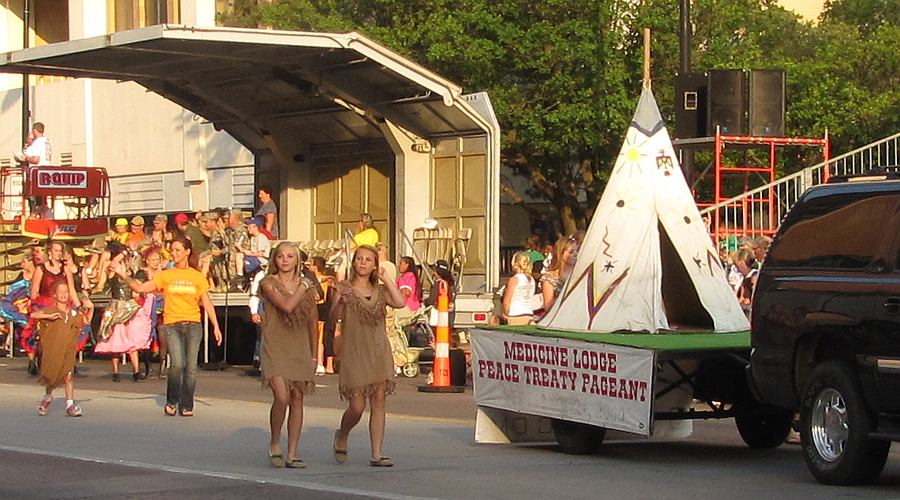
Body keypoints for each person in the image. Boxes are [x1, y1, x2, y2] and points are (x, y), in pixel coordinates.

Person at [112, 237, 223, 417]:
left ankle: (187, 404)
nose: (175, 253)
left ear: (187, 252)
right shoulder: (166, 275)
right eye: (173, 250)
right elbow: (141, 289)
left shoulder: (196, 276)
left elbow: (207, 303)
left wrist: (215, 326)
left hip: (193, 324)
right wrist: (124, 275)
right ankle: (172, 400)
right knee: (177, 364)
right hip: (172, 324)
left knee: (191, 367)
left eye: (178, 250)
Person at [330, 245, 405, 467]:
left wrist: (386, 279)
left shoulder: (380, 291)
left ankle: (376, 453)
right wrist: (341, 303)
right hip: (354, 350)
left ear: (374, 265)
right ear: (353, 262)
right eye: (359, 259)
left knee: (379, 400)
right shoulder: (343, 288)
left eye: (368, 260)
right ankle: (342, 435)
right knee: (357, 406)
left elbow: (400, 302)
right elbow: (332, 317)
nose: (363, 263)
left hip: (378, 350)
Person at [258, 242, 319, 468]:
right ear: (275, 259)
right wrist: (303, 286)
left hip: (299, 346)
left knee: (297, 398)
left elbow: (313, 322)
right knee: (281, 396)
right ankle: (275, 441)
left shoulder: (307, 288)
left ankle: (292, 453)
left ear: (297, 260)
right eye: (281, 256)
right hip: (275, 345)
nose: (285, 260)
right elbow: (286, 306)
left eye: (290, 256)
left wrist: (314, 355)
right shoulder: (268, 283)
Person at [33, 281, 93, 417]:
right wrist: (48, 316)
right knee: (51, 378)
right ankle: (48, 397)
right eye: (60, 292)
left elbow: (86, 321)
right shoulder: (50, 310)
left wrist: (91, 308)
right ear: (55, 295)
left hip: (68, 350)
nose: (64, 295)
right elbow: (34, 315)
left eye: (66, 292)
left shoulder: (73, 313)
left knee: (68, 376)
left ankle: (69, 405)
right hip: (52, 350)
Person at [94, 243, 152, 382]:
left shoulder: (131, 270)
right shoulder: (112, 268)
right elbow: (114, 263)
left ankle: (136, 370)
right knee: (115, 339)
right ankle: (115, 371)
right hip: (117, 305)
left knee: (131, 339)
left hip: (129, 305)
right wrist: (126, 251)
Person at [26, 241, 79, 375]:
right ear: (49, 252)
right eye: (56, 250)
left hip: (62, 304)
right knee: (44, 337)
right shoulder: (41, 269)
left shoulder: (65, 269)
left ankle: (66, 362)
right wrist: (34, 306)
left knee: (67, 335)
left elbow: (71, 290)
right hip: (45, 303)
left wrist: (79, 306)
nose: (59, 253)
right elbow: (35, 290)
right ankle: (40, 359)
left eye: (60, 251)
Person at [308, 256, 334, 376]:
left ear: (316, 266)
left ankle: (320, 363)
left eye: (311, 264)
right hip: (316, 308)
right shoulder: (318, 279)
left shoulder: (322, 279)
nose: (309, 267)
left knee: (319, 337)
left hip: (320, 308)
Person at [540, 235, 580, 312]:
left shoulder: (579, 275)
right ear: (561, 254)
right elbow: (547, 306)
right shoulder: (549, 278)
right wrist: (566, 294)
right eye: (571, 252)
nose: (575, 254)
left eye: (577, 251)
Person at [502, 251, 535, 326]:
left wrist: (506, 314)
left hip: (515, 314)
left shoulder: (514, 279)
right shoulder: (531, 279)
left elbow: (507, 301)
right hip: (529, 314)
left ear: (516, 264)